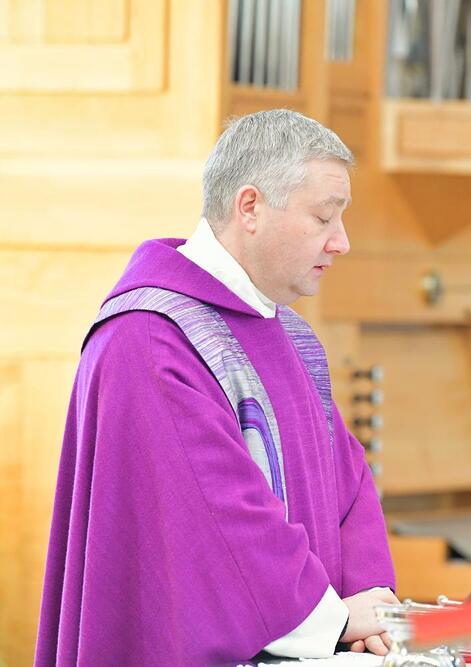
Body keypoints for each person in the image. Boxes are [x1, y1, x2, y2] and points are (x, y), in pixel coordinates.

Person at [35, 109, 399, 665]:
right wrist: (334, 619)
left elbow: (346, 486)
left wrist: (368, 601)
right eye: (324, 217)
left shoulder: (291, 335)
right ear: (250, 207)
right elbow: (214, 517)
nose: (341, 242)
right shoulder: (149, 340)